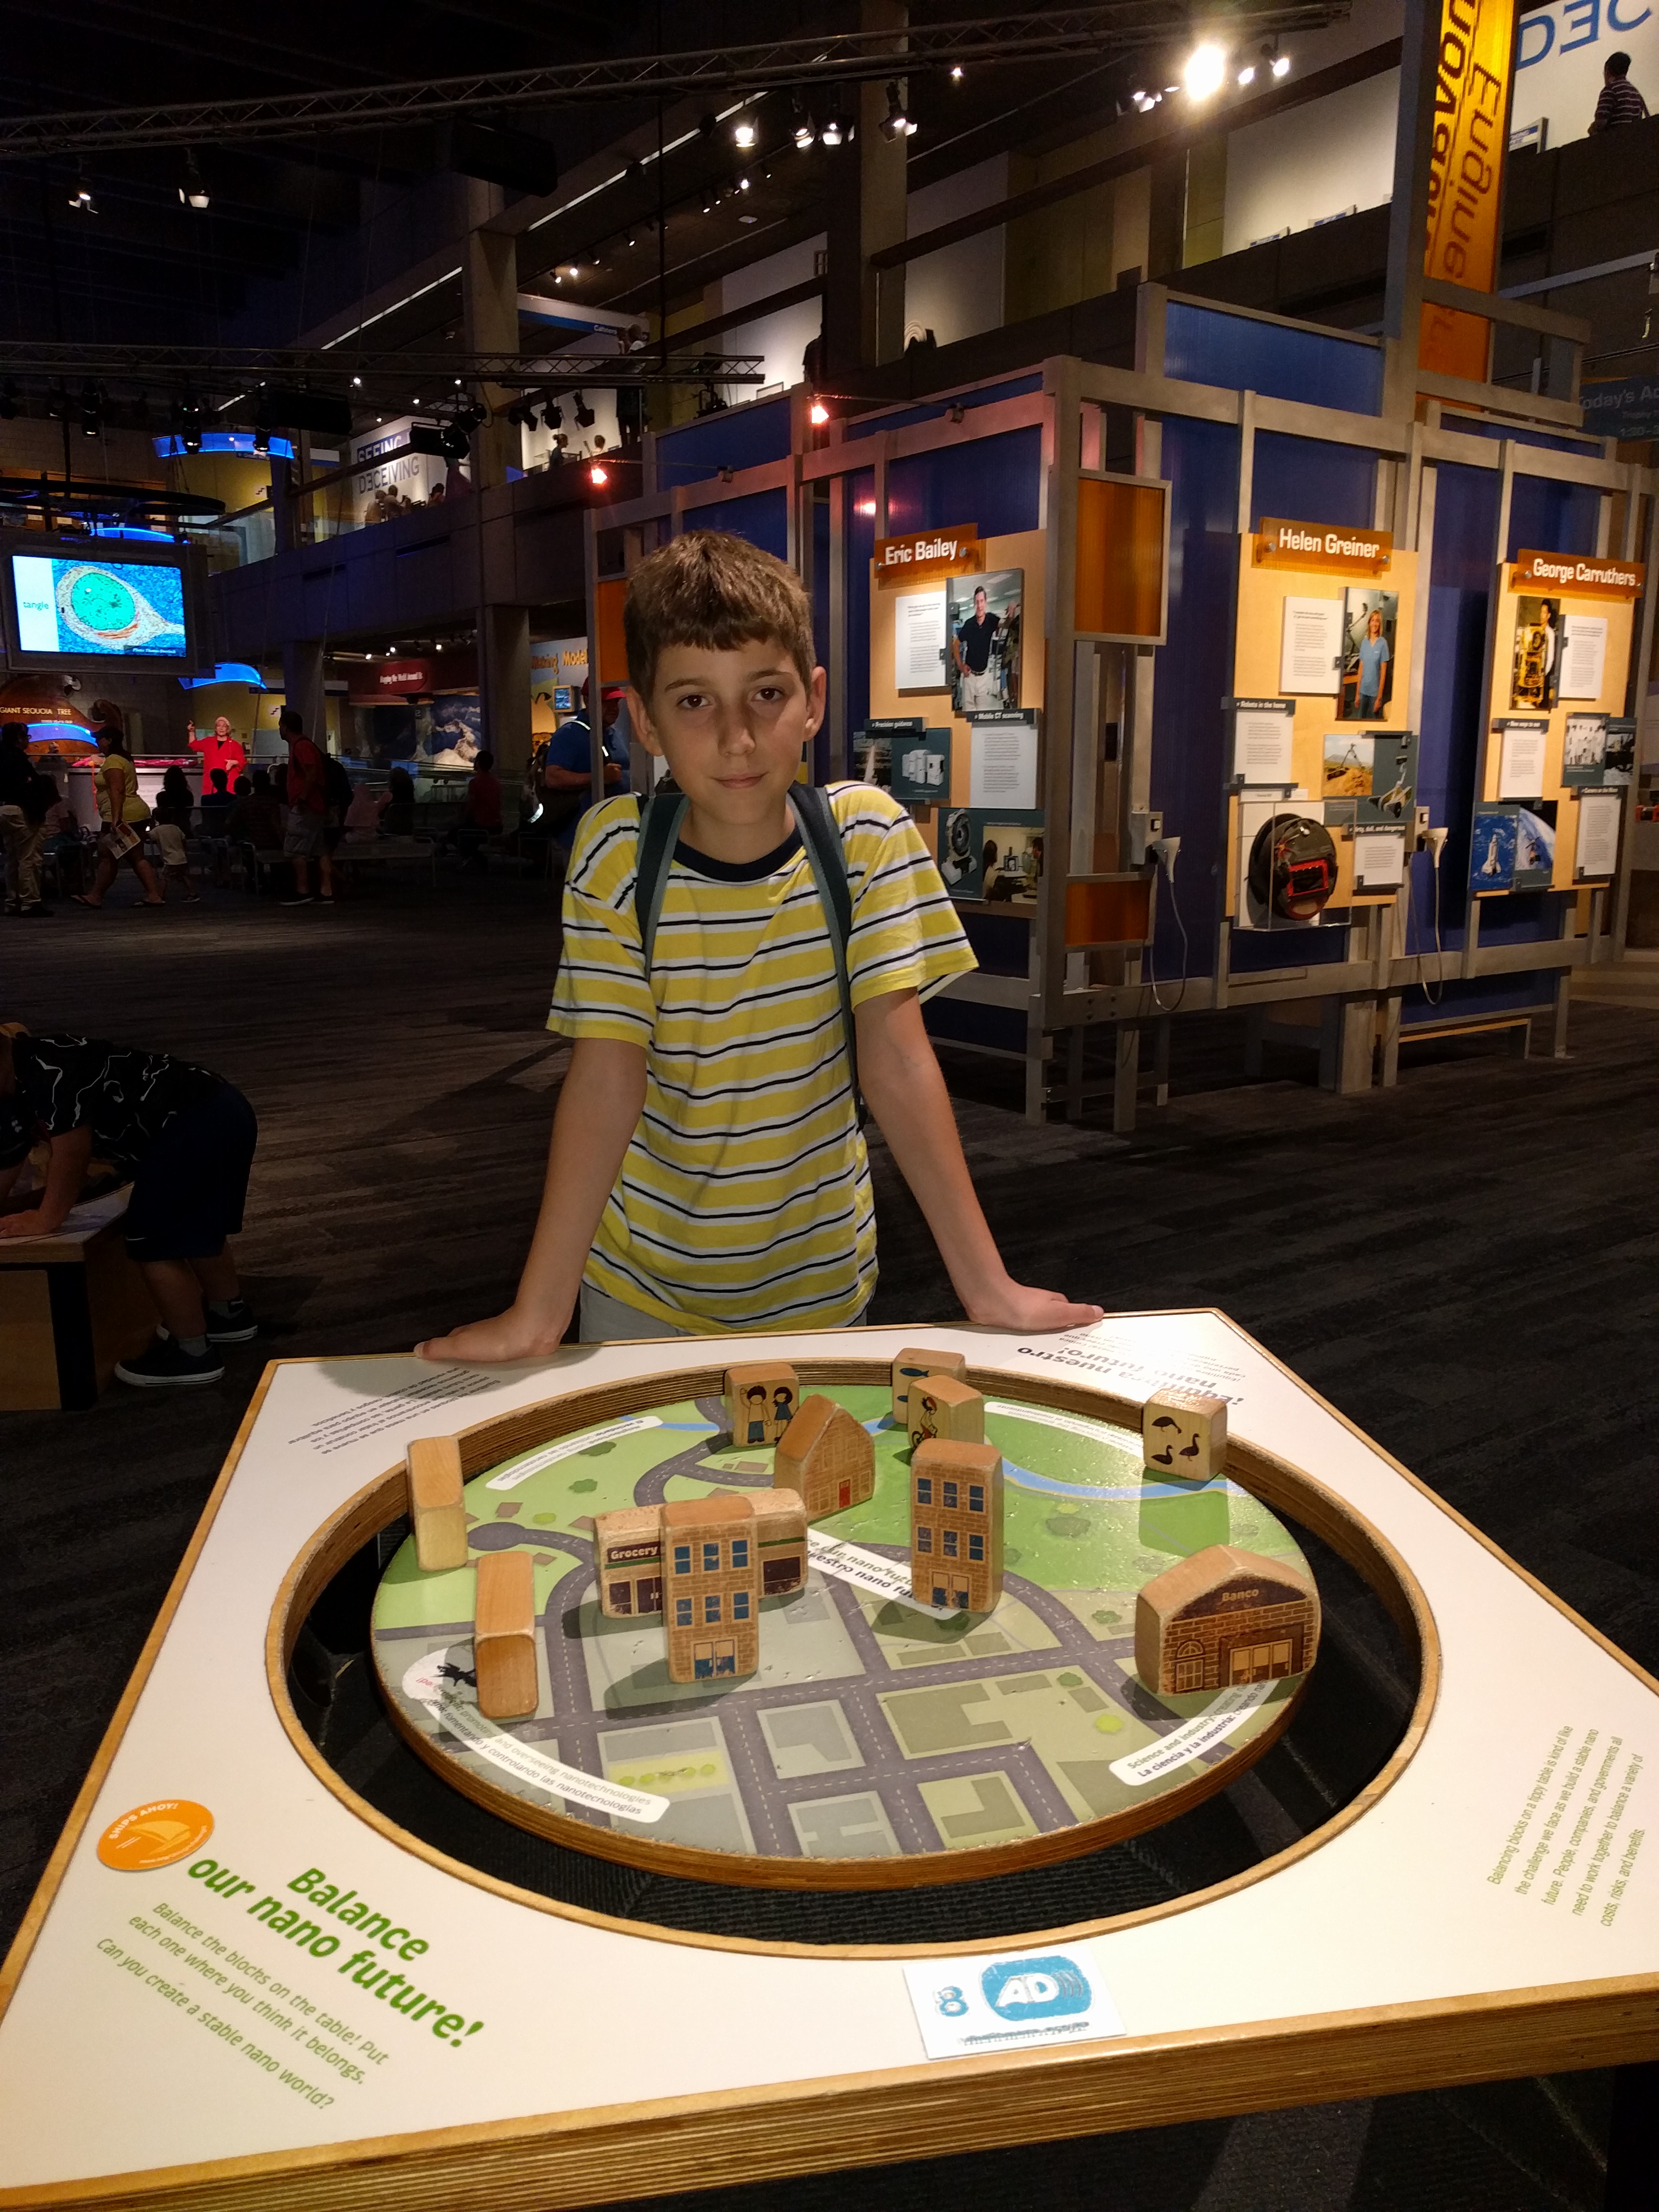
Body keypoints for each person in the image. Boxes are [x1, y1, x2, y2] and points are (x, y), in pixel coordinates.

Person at [417, 528, 1101, 1361]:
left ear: (813, 699)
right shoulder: (618, 852)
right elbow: (605, 1078)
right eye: (694, 701)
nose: (737, 737)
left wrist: (986, 1287)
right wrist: (540, 1313)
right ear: (646, 721)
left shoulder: (866, 838)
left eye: (766, 694)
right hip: (642, 1292)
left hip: (824, 1291)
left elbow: (898, 1062)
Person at [0, 1024, 258, 1387]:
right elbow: (8, 1157)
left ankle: (192, 1353)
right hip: (217, 1108)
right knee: (195, 1223)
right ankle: (227, 1314)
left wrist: (46, 1218)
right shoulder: (16, 1083)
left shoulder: (46, 1069)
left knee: (152, 1241)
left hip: (192, 1122)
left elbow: (72, 1154)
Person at [73, 704, 165, 910]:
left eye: (100, 739)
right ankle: (154, 894)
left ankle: (96, 896)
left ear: (109, 741)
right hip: (135, 813)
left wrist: (115, 819)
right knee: (135, 856)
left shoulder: (113, 761)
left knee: (107, 855)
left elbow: (117, 790)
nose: (98, 742)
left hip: (123, 815)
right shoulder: (125, 758)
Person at [539, 683, 626, 849]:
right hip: (581, 837)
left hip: (613, 833)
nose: (613, 708)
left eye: (616, 702)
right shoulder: (569, 734)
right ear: (588, 701)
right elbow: (553, 777)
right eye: (606, 702)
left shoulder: (614, 734)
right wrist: (599, 777)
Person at [278, 706, 334, 907]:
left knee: (295, 849)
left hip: (306, 806)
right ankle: (326, 891)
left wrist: (302, 797)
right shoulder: (306, 745)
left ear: (285, 727)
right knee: (319, 849)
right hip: (317, 806)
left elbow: (311, 772)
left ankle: (303, 890)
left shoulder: (301, 746)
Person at [0, 721, 54, 917]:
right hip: (21, 811)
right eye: (26, 737)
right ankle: (30, 902)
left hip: (4, 810)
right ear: (19, 739)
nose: (28, 741)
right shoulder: (19, 760)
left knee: (12, 857)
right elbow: (28, 791)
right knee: (28, 858)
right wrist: (38, 813)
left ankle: (12, 900)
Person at [952, 584, 1005, 712]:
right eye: (977, 602)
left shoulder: (992, 620)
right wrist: (961, 666)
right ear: (974, 604)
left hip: (983, 676)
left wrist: (1011, 613)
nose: (979, 605)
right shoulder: (969, 624)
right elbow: (955, 644)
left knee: (982, 714)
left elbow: (1005, 624)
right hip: (969, 677)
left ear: (986, 602)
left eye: (981, 601)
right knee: (968, 714)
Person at [151, 764, 200, 901]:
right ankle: (190, 890)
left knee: (165, 873)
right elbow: (188, 814)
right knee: (183, 869)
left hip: (166, 832)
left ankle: (160, 895)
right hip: (184, 829)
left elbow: (161, 813)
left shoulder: (162, 796)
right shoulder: (188, 795)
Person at [453, 747, 503, 871]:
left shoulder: (475, 783)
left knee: (455, 834)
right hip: (496, 825)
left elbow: (471, 804)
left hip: (481, 824)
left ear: (479, 763)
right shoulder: (495, 782)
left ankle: (476, 858)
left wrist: (463, 817)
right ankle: (474, 859)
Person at [1589, 50, 1649, 131]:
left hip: (1615, 137)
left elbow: (1601, 122)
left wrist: (1592, 128)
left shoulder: (1609, 90)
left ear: (1607, 71)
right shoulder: (1635, 93)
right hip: (1633, 137)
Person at [189, 714, 248, 789]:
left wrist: (233, 762)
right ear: (216, 728)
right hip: (210, 783)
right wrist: (191, 732)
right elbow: (194, 745)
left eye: (224, 726)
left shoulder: (234, 745)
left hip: (228, 783)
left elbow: (242, 761)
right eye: (219, 726)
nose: (221, 728)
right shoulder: (208, 742)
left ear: (228, 729)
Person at [199, 766, 236, 885]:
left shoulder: (206, 799)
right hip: (229, 832)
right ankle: (224, 870)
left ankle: (220, 870)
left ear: (213, 782)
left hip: (212, 831)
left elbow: (205, 816)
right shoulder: (233, 799)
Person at [1355, 607, 1391, 716]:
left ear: (1380, 624)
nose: (1375, 624)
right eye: (1373, 620)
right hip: (1363, 692)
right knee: (1360, 723)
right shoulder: (1364, 643)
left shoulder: (1383, 644)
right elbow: (1361, 669)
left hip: (1374, 694)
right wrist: (1357, 694)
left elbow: (1383, 673)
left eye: (1377, 621)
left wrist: (1379, 698)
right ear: (1369, 623)